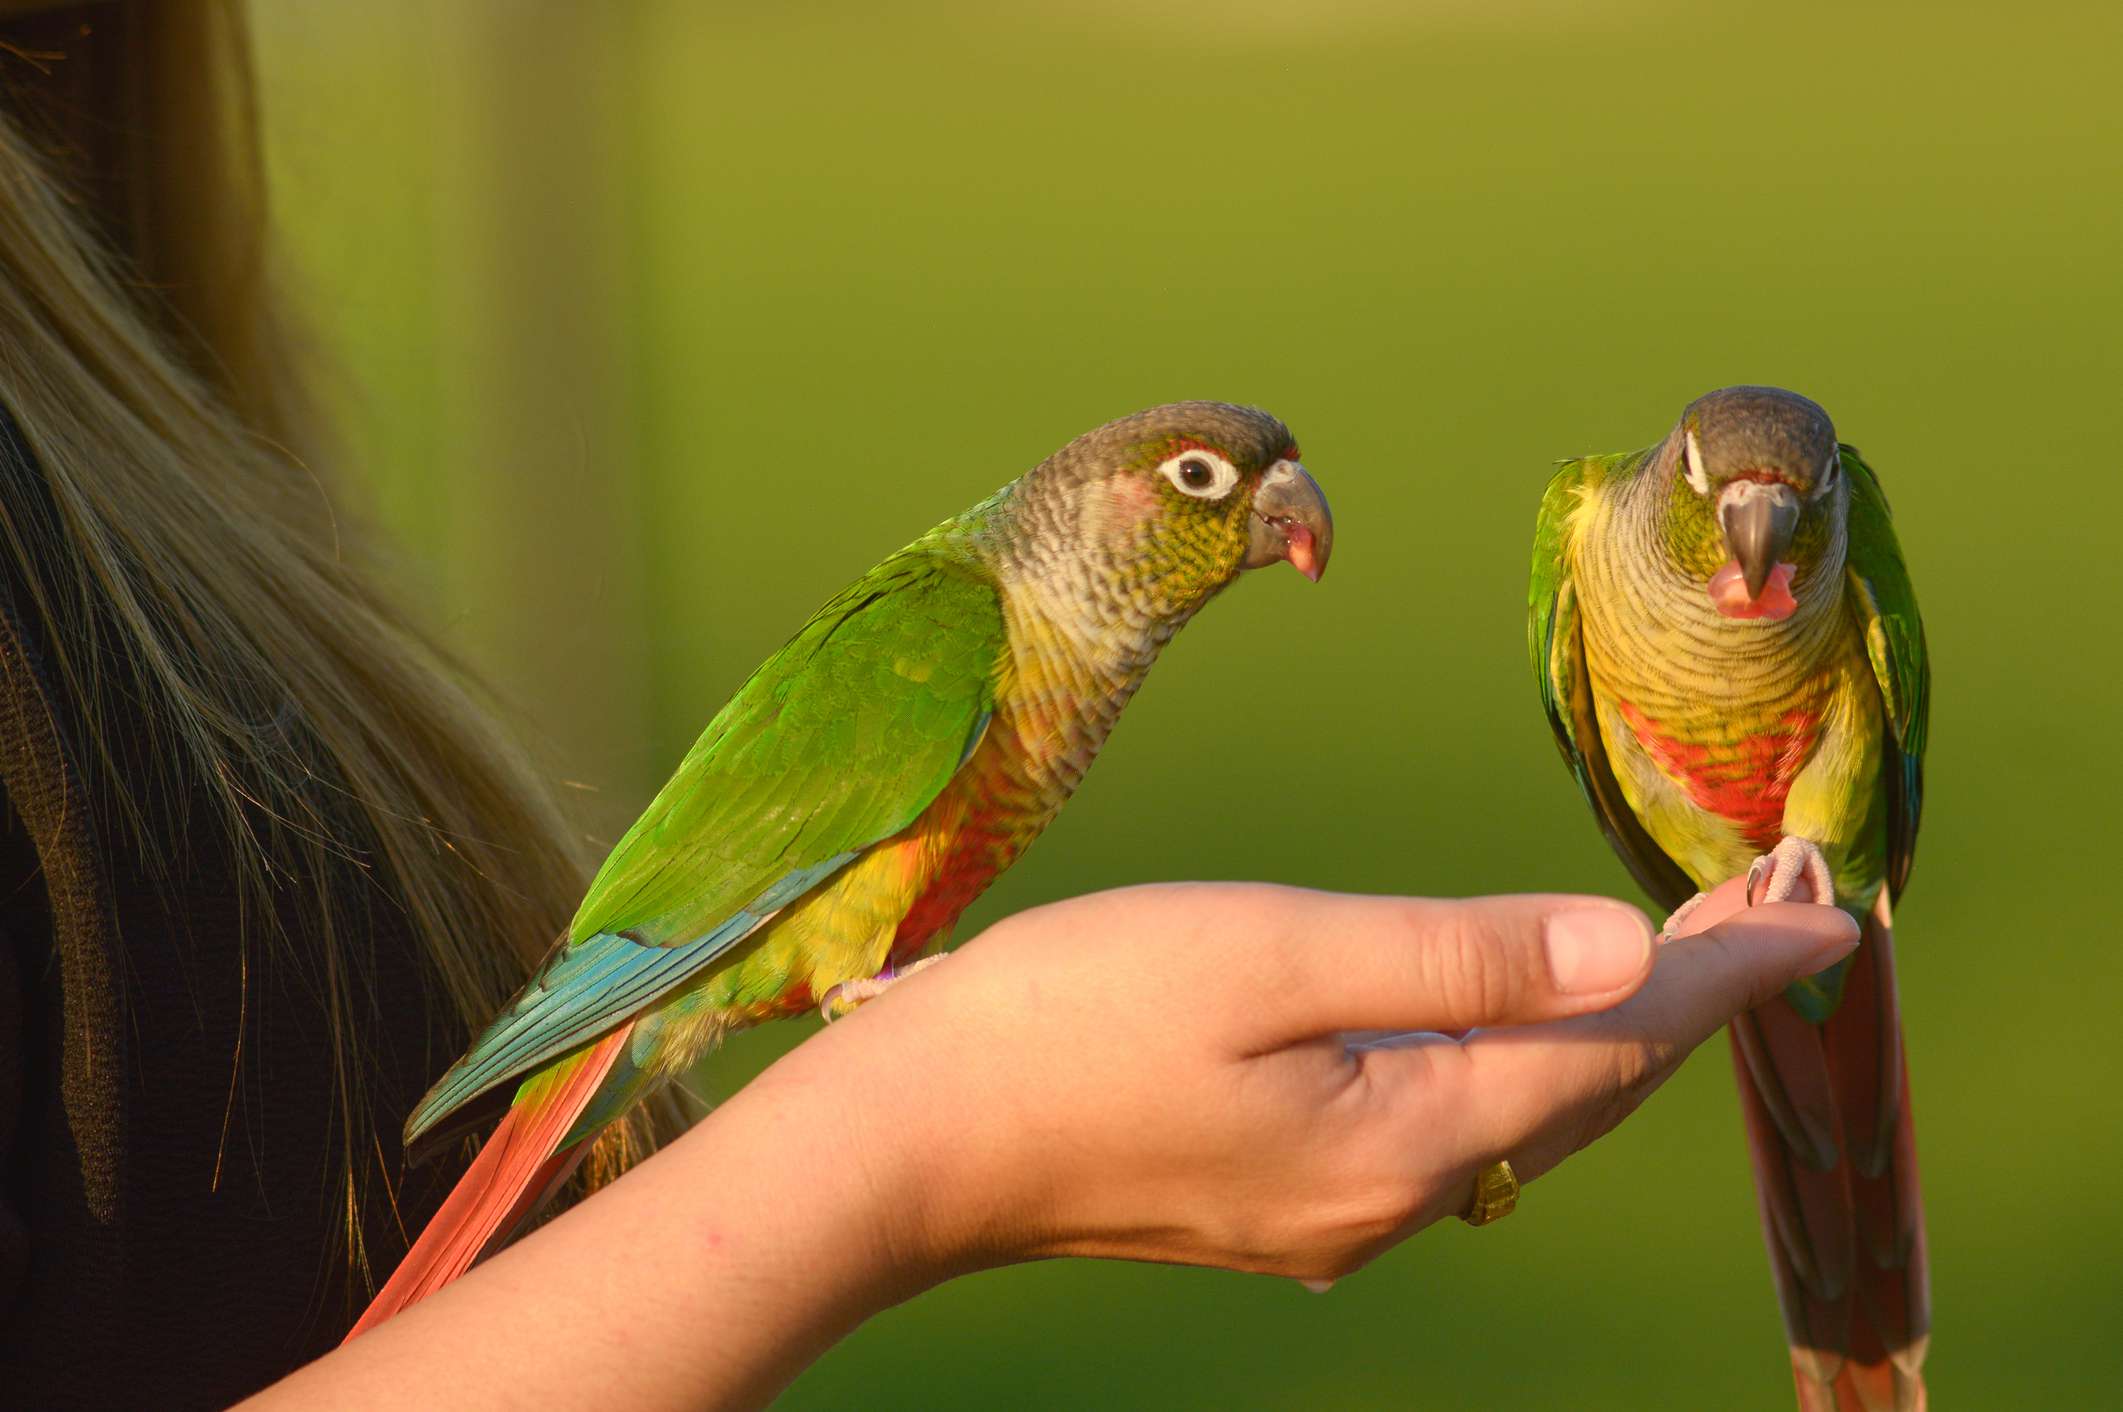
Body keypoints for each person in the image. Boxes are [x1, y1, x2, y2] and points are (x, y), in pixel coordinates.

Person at [0, 6, 1859, 1408]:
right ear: (1113, 508)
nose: (1277, 514)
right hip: (693, 959)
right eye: (1213, 486)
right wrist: (933, 1122)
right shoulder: (947, 642)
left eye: (1269, 486)